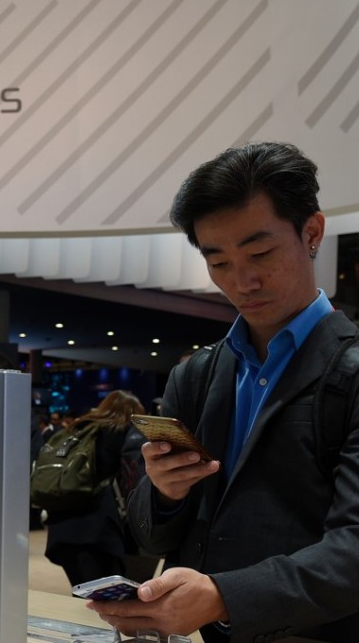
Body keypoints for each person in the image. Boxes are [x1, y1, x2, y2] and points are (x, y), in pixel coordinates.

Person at [90, 142, 359, 641]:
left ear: (313, 232)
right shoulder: (195, 375)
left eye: (260, 253)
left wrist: (223, 597)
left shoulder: (350, 372)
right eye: (219, 262)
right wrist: (167, 493)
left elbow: (354, 548)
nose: (244, 281)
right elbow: (152, 533)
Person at [44, 390, 145, 588]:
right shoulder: (122, 433)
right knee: (106, 602)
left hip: (62, 526)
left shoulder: (79, 428)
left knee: (82, 594)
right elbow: (131, 479)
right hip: (98, 530)